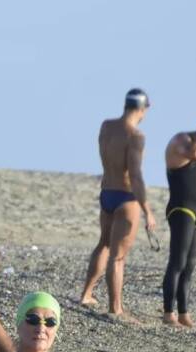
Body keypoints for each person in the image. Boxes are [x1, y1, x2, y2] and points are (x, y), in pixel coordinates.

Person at [79, 88, 158, 320]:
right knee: (118, 256)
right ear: (142, 109)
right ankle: (116, 308)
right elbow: (135, 175)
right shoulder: (135, 136)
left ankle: (86, 294)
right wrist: (147, 210)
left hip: (107, 192)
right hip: (126, 197)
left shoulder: (106, 126)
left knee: (103, 244)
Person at [161, 118, 196, 327]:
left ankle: (183, 312)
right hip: (181, 208)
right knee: (178, 261)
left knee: (190, 264)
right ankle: (168, 312)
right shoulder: (181, 140)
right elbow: (193, 154)